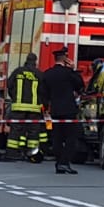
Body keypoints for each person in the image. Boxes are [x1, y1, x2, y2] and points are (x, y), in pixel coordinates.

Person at [40, 47, 86, 175]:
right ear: (65, 58)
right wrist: (73, 70)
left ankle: (59, 164)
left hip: (55, 110)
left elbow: (43, 93)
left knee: (57, 138)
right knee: (71, 138)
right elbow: (80, 85)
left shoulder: (47, 74)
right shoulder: (68, 73)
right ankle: (64, 163)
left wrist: (46, 107)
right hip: (69, 110)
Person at [3, 53, 46, 161]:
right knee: (33, 132)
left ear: (26, 60)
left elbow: (9, 84)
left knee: (15, 130)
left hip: (18, 107)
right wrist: (41, 103)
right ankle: (32, 154)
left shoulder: (18, 71)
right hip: (34, 109)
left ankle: (11, 154)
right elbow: (43, 91)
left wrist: (15, 97)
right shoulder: (39, 74)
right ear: (35, 61)